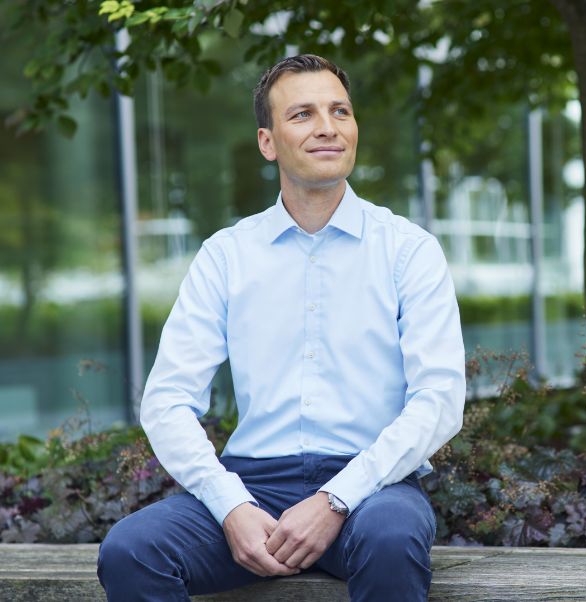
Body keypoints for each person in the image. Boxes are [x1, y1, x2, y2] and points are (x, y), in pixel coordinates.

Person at [96, 54, 466, 601]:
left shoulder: (408, 251)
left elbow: (439, 398)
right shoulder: (226, 255)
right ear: (268, 143)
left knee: (392, 536)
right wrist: (230, 505)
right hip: (252, 486)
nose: (327, 127)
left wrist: (337, 498)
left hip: (372, 487)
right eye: (303, 115)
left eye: (340, 111)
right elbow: (167, 399)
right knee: (131, 551)